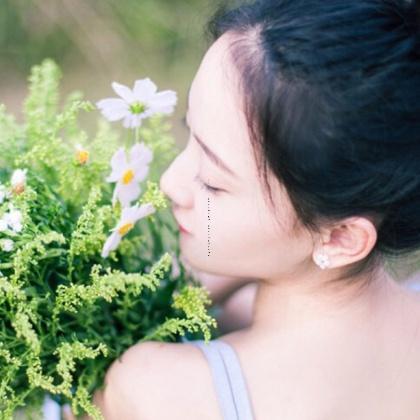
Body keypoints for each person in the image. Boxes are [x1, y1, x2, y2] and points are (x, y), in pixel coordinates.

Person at [68, 0, 420, 418]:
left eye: (214, 182)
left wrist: (178, 288)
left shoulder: (160, 391)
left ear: (342, 238)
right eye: (190, 134)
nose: (170, 184)